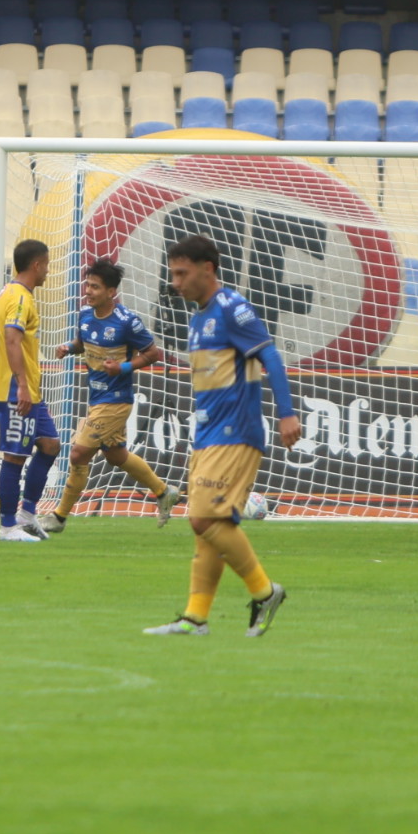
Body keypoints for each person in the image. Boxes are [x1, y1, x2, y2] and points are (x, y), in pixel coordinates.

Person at [144, 236, 300, 637]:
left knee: (202, 519)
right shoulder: (199, 317)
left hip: (235, 433)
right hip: (208, 433)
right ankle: (196, 618)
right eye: (172, 273)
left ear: (207, 269)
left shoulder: (233, 309)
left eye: (182, 273)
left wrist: (287, 414)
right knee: (206, 528)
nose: (175, 282)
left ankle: (265, 592)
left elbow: (271, 357)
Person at [46, 259, 181, 532]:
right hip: (96, 397)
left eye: (95, 287)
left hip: (116, 399)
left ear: (110, 292)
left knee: (78, 454)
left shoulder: (126, 322)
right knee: (117, 456)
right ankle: (164, 492)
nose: (88, 291)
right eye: (87, 285)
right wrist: (68, 348)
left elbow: (153, 353)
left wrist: (124, 367)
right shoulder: (85, 315)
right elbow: (82, 342)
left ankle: (58, 517)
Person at [0, 238, 60, 542]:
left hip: (29, 389)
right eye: (46, 265)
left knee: (50, 445)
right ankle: (8, 527)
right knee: (15, 456)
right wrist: (20, 384)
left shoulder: (10, 292)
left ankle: (27, 514)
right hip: (17, 389)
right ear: (36, 265)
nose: (48, 271)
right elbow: (12, 339)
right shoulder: (19, 298)